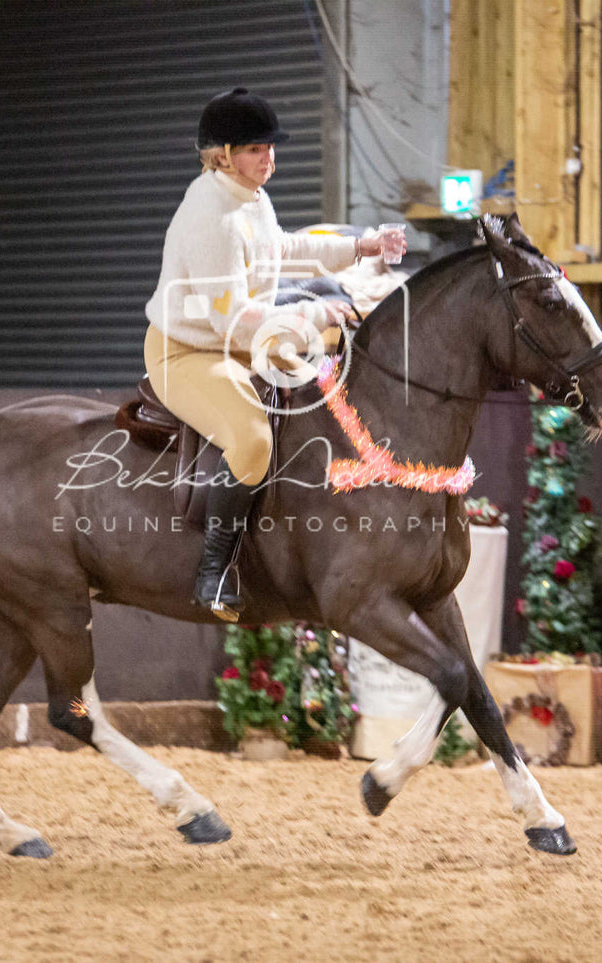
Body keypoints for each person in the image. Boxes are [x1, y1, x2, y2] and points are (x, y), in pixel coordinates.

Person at [144, 87, 405, 621]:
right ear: (222, 155)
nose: (269, 159)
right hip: (188, 352)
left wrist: (363, 245)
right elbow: (233, 320)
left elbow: (284, 249)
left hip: (238, 341)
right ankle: (213, 572)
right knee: (253, 439)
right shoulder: (211, 217)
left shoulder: (250, 199)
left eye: (269, 148)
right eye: (256, 150)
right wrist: (313, 316)